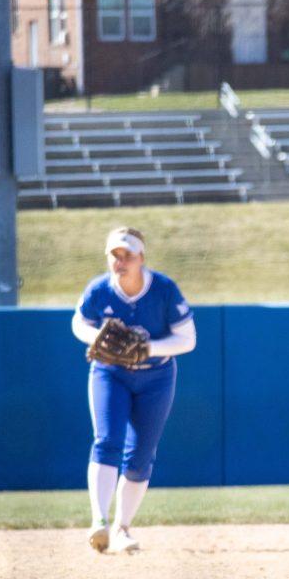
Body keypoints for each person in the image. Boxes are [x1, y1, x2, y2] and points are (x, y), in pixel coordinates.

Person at [71, 226, 196, 555]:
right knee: (107, 441)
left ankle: (122, 528)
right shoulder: (100, 290)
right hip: (111, 374)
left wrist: (148, 348)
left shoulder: (164, 289)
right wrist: (93, 338)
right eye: (115, 255)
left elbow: (188, 339)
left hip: (156, 376)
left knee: (141, 455)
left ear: (141, 258)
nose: (121, 261)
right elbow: (79, 322)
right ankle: (99, 521)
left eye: (127, 255)